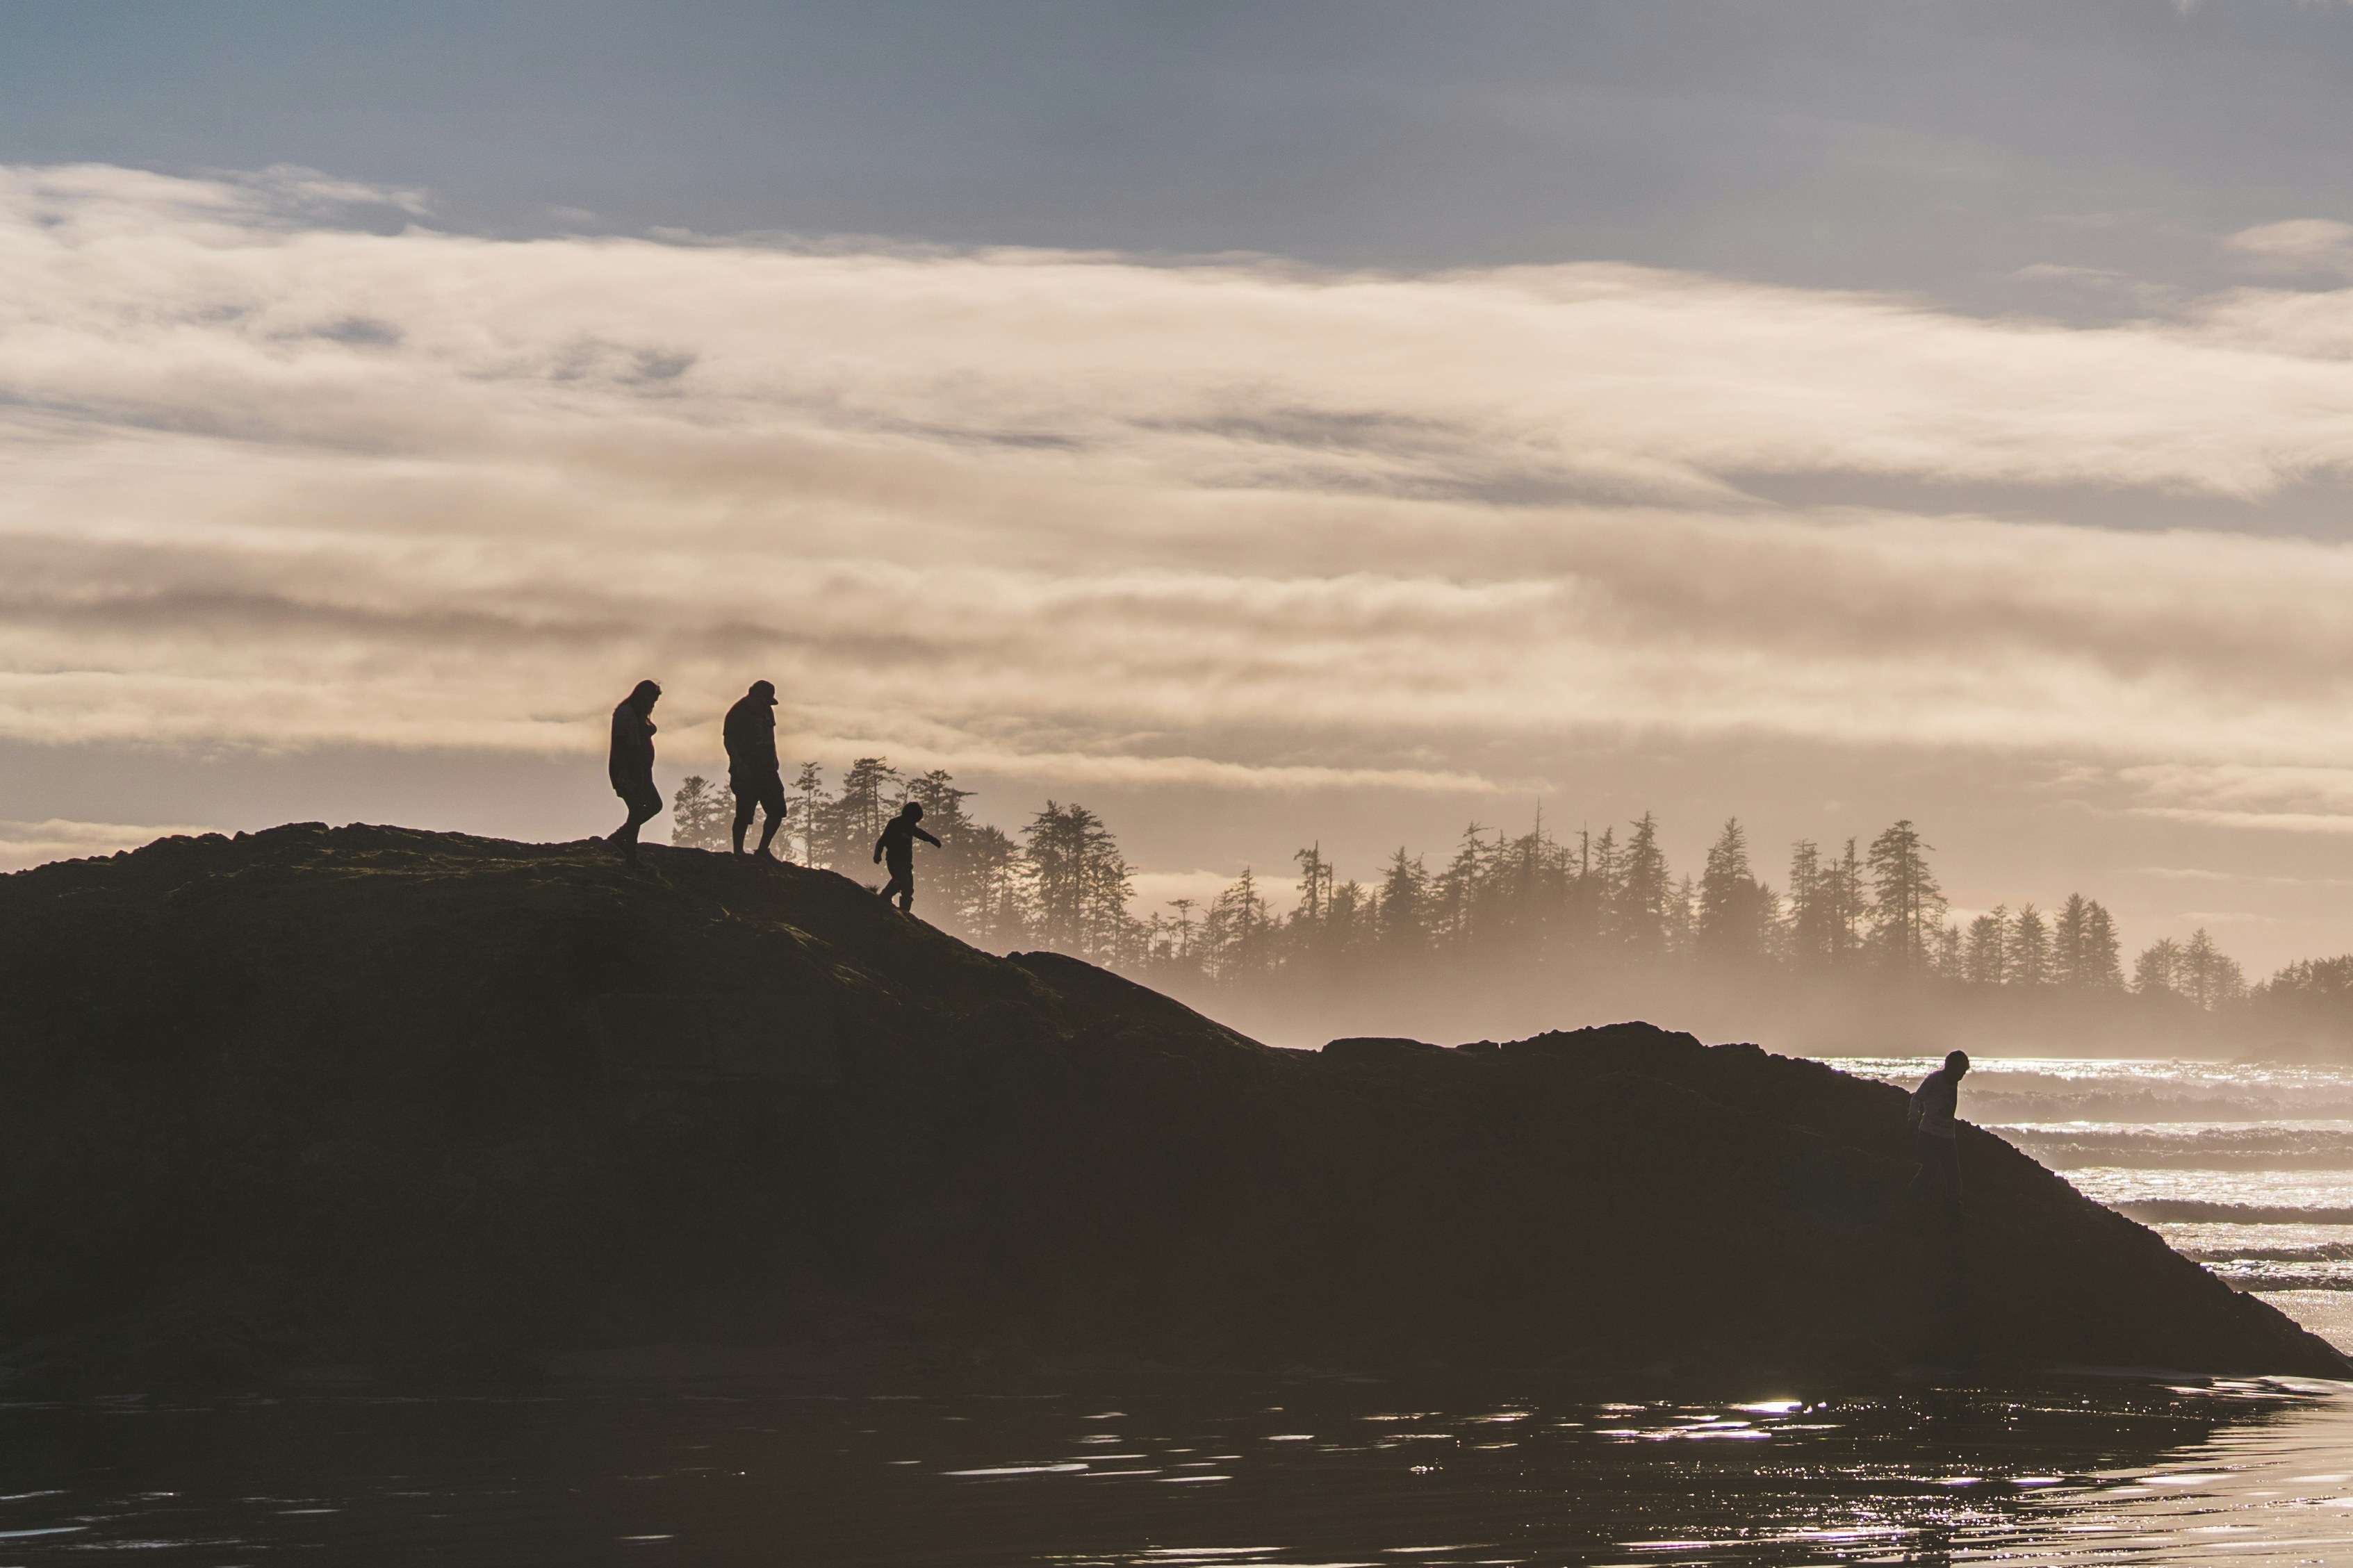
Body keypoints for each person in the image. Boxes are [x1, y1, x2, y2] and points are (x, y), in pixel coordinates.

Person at [722, 679, 787, 858]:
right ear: (754, 695)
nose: (766, 704)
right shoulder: (738, 713)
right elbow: (729, 741)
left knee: (777, 810)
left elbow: (770, 736)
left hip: (767, 770)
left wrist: (774, 758)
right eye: (764, 700)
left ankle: (762, 850)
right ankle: (738, 852)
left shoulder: (767, 710)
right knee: (744, 813)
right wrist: (738, 764)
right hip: (746, 771)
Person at [607, 679, 663, 861]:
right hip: (629, 771)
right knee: (645, 806)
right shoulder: (626, 714)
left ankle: (628, 848)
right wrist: (625, 771)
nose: (653, 705)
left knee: (641, 808)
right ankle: (621, 840)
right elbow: (623, 745)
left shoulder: (637, 715)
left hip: (640, 770)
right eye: (652, 700)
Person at [1907, 1049, 1971, 1207]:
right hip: (1929, 1132)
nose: (1961, 1076)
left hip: (1948, 1136)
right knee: (1929, 1169)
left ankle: (1954, 1205)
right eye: (1960, 1072)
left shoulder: (1953, 1081)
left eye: (1964, 1073)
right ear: (1950, 1067)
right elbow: (1917, 1098)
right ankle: (1912, 1199)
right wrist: (1913, 1119)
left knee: (1953, 1175)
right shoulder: (1935, 1079)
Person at [872, 800, 940, 913]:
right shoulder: (895, 824)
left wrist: (934, 840)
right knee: (902, 880)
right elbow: (882, 841)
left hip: (906, 863)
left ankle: (905, 912)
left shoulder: (911, 827)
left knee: (908, 888)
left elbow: (922, 834)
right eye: (913, 820)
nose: (913, 823)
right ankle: (885, 896)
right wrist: (877, 854)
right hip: (894, 860)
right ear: (908, 815)